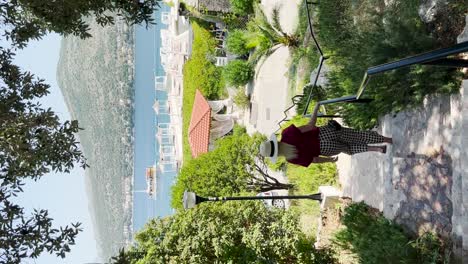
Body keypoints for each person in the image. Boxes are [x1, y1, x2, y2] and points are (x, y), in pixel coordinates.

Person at [259, 104, 392, 167]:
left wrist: (330, 160)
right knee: (356, 135)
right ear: (274, 142)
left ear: (275, 154)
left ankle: (377, 149)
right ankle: (386, 140)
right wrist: (315, 109)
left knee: (348, 149)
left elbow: (315, 160)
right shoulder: (287, 134)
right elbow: (311, 125)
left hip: (327, 149)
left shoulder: (291, 158)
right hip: (324, 133)